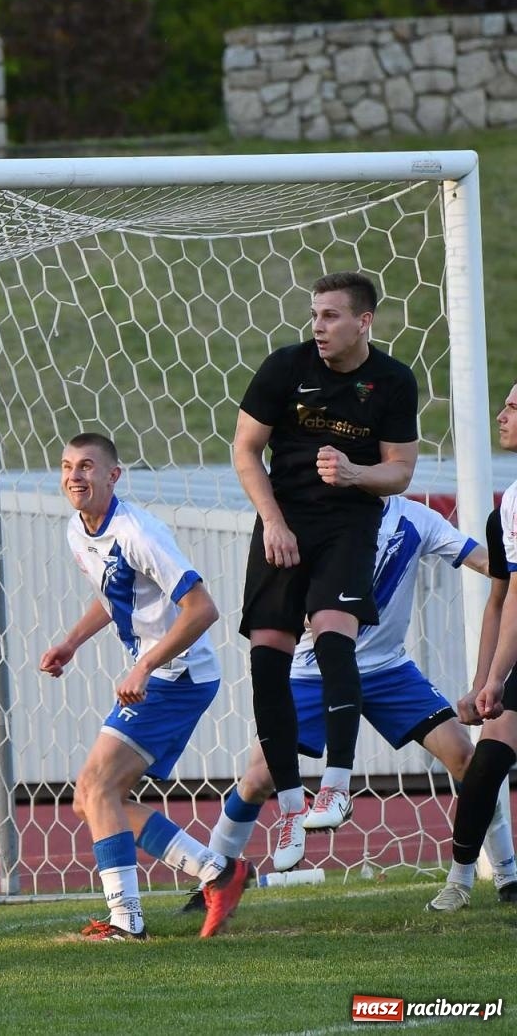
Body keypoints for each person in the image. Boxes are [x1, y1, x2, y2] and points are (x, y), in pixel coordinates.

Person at [188, 494, 516, 914]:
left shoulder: (417, 518)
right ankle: (212, 880)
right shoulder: (316, 511)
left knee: (469, 760)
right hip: (311, 671)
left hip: (388, 671)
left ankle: (507, 874)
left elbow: (491, 564)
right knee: (256, 780)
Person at [232, 270, 420, 871]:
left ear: (364, 321)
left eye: (332, 315)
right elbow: (244, 449)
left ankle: (336, 785)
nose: (318, 326)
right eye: (315, 314)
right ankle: (289, 804)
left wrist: (355, 473)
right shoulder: (284, 368)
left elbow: (401, 472)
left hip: (347, 524)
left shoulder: (392, 381)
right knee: (268, 655)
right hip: (281, 520)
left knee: (335, 636)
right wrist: (274, 524)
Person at [38, 433, 250, 941]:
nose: (74, 476)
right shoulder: (78, 529)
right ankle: (217, 870)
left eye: (87, 466)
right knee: (92, 800)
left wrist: (145, 667)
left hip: (179, 677)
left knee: (97, 787)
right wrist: (71, 643)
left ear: (114, 476)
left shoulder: (138, 532)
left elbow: (202, 609)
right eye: (67, 466)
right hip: (160, 676)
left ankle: (126, 922)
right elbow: (114, 596)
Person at [436, 381, 517, 911]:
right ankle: (462, 879)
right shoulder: (508, 505)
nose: (501, 414)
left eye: (513, 407)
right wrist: (485, 680)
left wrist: (494, 680)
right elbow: (501, 601)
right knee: (486, 762)